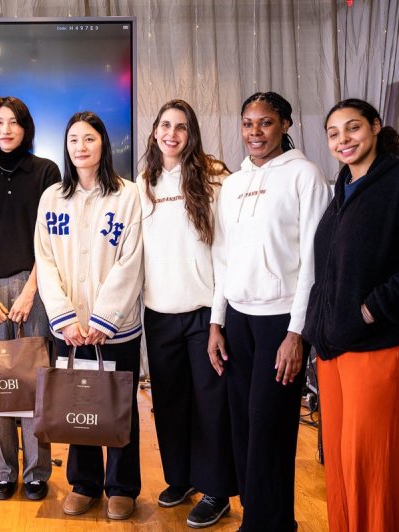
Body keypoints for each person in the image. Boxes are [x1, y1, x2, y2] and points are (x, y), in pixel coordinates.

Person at [303, 99, 399, 531]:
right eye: (334, 133)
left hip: (385, 345)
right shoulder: (343, 189)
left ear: (375, 127)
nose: (343, 139)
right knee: (344, 468)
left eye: (353, 128)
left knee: (373, 467)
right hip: (337, 347)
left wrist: (370, 310)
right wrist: (319, 325)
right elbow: (330, 269)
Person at [208, 92, 331, 531]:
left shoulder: (305, 175)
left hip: (282, 321)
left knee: (269, 427)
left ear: (284, 125)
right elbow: (223, 257)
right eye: (247, 123)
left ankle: (267, 523)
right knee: (242, 424)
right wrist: (216, 322)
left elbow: (313, 263)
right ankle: (264, 518)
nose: (254, 133)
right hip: (238, 319)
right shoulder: (234, 183)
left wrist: (297, 334)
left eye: (264, 123)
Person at [35, 111, 144, 521]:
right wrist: (64, 317)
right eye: (74, 140)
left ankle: (121, 486)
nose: (81, 147)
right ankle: (84, 483)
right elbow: (44, 260)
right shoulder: (52, 198)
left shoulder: (128, 195)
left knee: (118, 404)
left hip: (114, 329)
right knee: (77, 400)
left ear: (104, 145)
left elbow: (131, 261)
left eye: (90, 139)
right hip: (69, 326)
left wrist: (102, 320)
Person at [137, 99, 238, 528]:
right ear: (155, 131)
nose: (171, 134)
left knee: (211, 405)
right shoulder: (142, 184)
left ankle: (216, 490)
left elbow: (226, 253)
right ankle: (180, 479)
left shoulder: (214, 178)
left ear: (191, 133)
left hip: (204, 314)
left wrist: (217, 319)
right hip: (158, 314)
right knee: (170, 402)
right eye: (165, 125)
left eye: (180, 127)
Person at [0, 96, 60, 501]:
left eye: (14, 122)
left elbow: (51, 238)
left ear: (25, 128)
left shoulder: (46, 172)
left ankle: (37, 471)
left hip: (33, 285)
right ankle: (4, 471)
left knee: (36, 380)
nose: (6, 129)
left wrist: (30, 291)